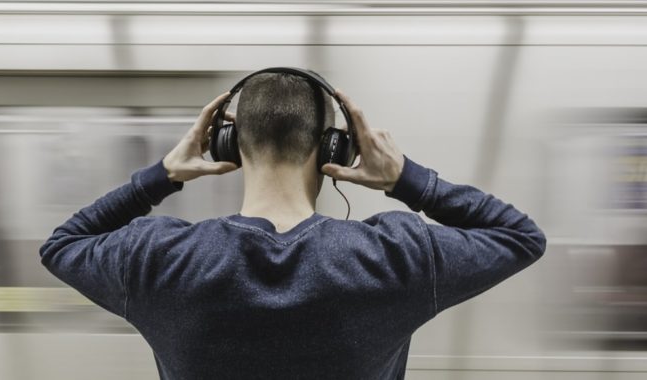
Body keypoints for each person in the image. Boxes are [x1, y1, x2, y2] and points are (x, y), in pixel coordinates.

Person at [40, 71, 547, 379]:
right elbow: (519, 236)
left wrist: (163, 175)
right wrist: (406, 178)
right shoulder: (395, 254)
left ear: (228, 146)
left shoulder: (158, 258)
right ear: (333, 150)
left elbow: (62, 245)